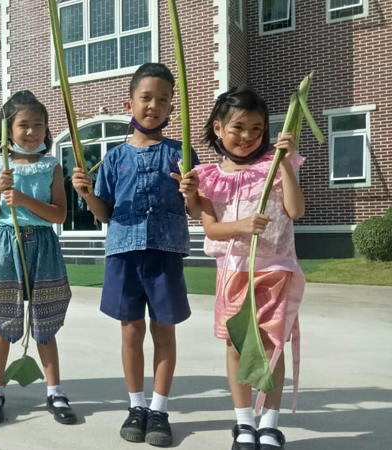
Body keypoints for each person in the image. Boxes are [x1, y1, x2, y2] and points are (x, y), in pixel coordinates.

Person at [72, 63, 201, 447]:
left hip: (165, 252)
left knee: (164, 331)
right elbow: (105, 214)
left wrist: (191, 191)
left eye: (163, 100)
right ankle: (136, 404)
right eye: (146, 98)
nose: (154, 106)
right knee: (131, 331)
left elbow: (195, 211)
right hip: (124, 252)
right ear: (129, 102)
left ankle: (159, 409)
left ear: (171, 108)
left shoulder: (182, 153)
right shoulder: (113, 158)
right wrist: (85, 194)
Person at [196, 86, 305, 450]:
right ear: (217, 128)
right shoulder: (209, 176)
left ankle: (269, 423)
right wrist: (242, 226)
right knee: (237, 347)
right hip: (232, 271)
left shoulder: (274, 165)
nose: (248, 137)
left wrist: (286, 164)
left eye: (257, 129)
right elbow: (210, 228)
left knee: (273, 347)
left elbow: (295, 210)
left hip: (275, 269)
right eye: (239, 128)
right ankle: (244, 421)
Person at [0, 90, 75, 425]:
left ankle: (55, 391)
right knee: (4, 320)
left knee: (45, 321)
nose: (32, 131)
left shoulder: (52, 167)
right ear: (7, 129)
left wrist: (22, 197)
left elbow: (60, 215)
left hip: (44, 246)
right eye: (23, 125)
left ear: (47, 129)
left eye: (39, 124)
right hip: (6, 246)